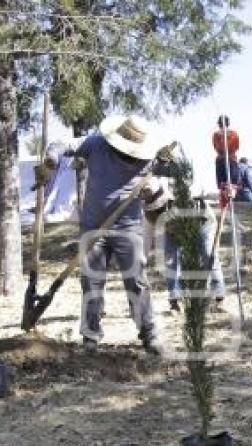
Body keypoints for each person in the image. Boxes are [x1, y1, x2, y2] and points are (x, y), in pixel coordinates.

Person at [44, 115, 167, 354]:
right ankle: (90, 337)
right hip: (93, 227)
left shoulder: (148, 160)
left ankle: (149, 333)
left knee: (137, 280)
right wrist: (51, 158)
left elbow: (158, 202)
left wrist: (152, 195)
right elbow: (62, 144)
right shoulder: (96, 144)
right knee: (91, 281)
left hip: (129, 228)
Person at [212, 114, 240, 187]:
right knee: (226, 185)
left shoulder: (232, 134)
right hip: (226, 161)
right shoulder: (217, 135)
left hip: (229, 161)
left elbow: (217, 147)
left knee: (229, 185)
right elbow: (218, 147)